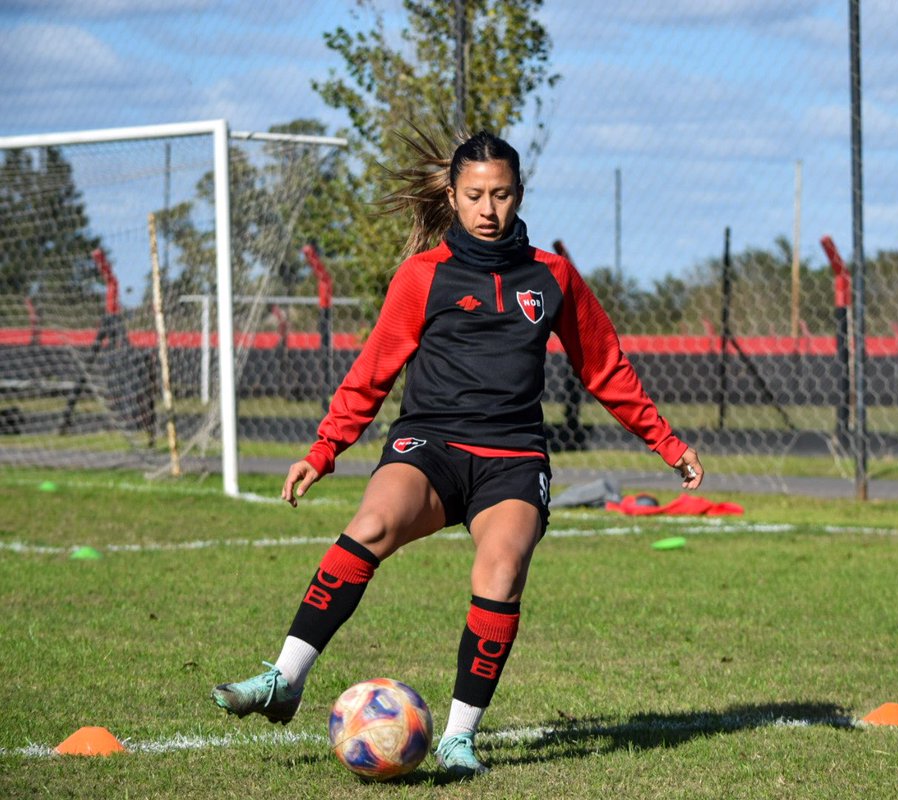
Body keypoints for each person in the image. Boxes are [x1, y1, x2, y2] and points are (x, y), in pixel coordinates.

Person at [210, 129, 704, 779]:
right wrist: (325, 448)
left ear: (520, 194)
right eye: (474, 195)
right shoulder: (423, 276)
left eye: (501, 194)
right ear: (453, 195)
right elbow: (373, 371)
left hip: (514, 459)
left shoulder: (552, 277)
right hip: (430, 445)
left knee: (500, 570)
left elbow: (606, 369)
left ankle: (458, 738)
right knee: (371, 525)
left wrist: (666, 444)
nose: (488, 209)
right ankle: (286, 677)